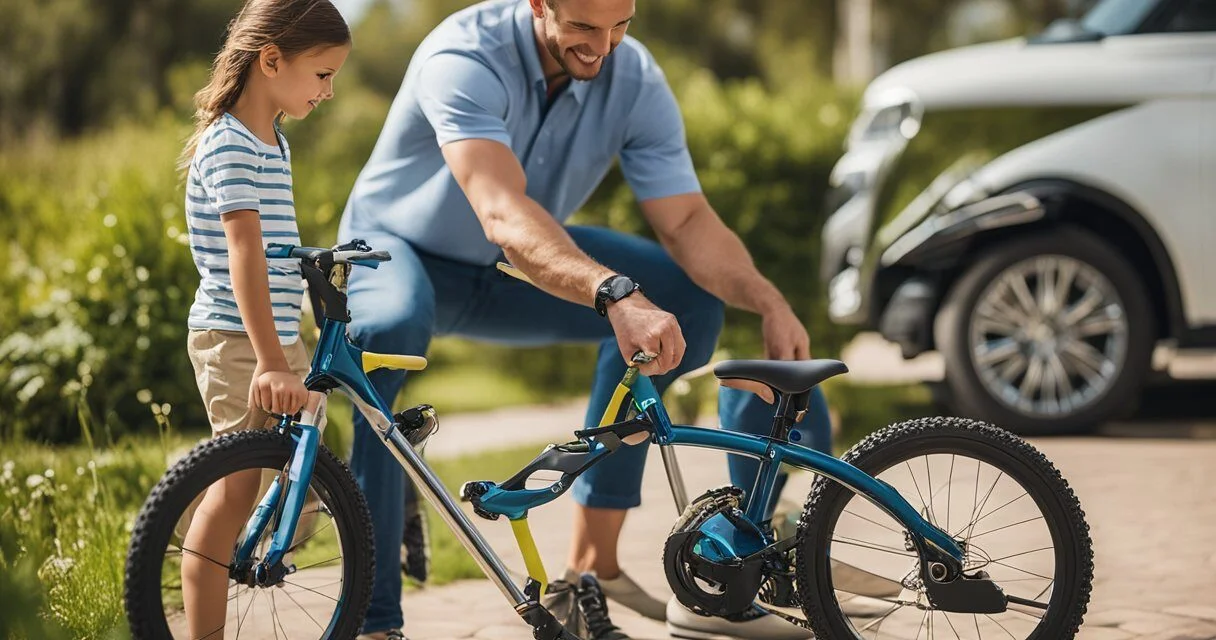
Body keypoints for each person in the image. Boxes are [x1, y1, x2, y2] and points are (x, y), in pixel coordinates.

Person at [339, 1, 817, 638]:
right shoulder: (464, 55)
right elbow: (502, 212)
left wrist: (768, 301)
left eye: (621, 26)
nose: (604, 47)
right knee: (387, 334)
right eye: (585, 27)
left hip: (512, 265)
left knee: (693, 307)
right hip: (401, 250)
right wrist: (614, 293)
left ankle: (591, 569)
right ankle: (374, 620)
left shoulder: (635, 78)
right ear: (539, 3)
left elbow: (687, 221)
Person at [177, 1, 351, 637]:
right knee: (233, 489)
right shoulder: (230, 142)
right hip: (237, 340)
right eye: (323, 74)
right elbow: (243, 252)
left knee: (298, 475)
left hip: (278, 339)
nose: (329, 91)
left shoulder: (272, 139)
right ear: (272, 60)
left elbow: (275, 249)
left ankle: (240, 545)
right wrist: (272, 360)